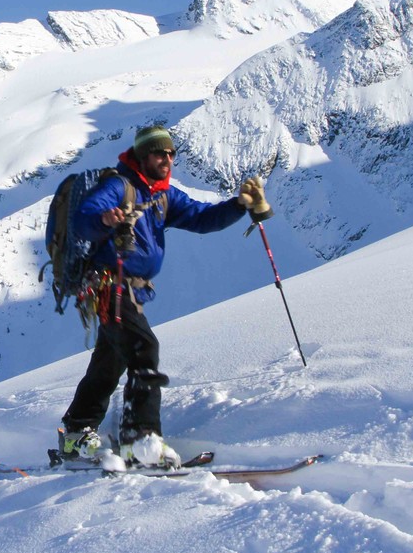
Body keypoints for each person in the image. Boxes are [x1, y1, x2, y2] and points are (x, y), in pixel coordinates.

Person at [59, 125, 272, 467]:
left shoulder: (162, 195)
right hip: (108, 286)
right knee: (144, 347)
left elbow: (202, 218)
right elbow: (84, 218)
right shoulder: (119, 185)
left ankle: (76, 434)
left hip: (125, 288)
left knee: (111, 360)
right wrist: (104, 217)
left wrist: (239, 205)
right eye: (160, 153)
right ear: (144, 156)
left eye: (171, 153)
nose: (167, 159)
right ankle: (140, 438)